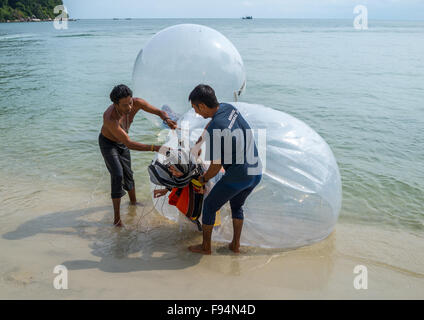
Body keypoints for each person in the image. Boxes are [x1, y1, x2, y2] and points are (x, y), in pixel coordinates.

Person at [185, 84, 262, 254]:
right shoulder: (228, 108)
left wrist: (203, 179)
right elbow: (213, 123)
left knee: (210, 206)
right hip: (256, 170)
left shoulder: (216, 128)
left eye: (195, 109)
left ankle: (206, 247)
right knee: (237, 206)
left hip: (240, 175)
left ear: (202, 105)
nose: (197, 113)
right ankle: (235, 245)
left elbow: (215, 166)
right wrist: (199, 142)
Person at [99, 84, 177, 227]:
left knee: (128, 173)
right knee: (117, 175)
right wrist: (155, 148)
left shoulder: (137, 103)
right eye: (124, 105)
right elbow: (129, 143)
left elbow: (159, 112)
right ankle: (117, 219)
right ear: (115, 104)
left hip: (122, 141)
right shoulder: (110, 118)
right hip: (108, 144)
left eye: (130, 103)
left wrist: (167, 120)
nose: (129, 108)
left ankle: (133, 203)